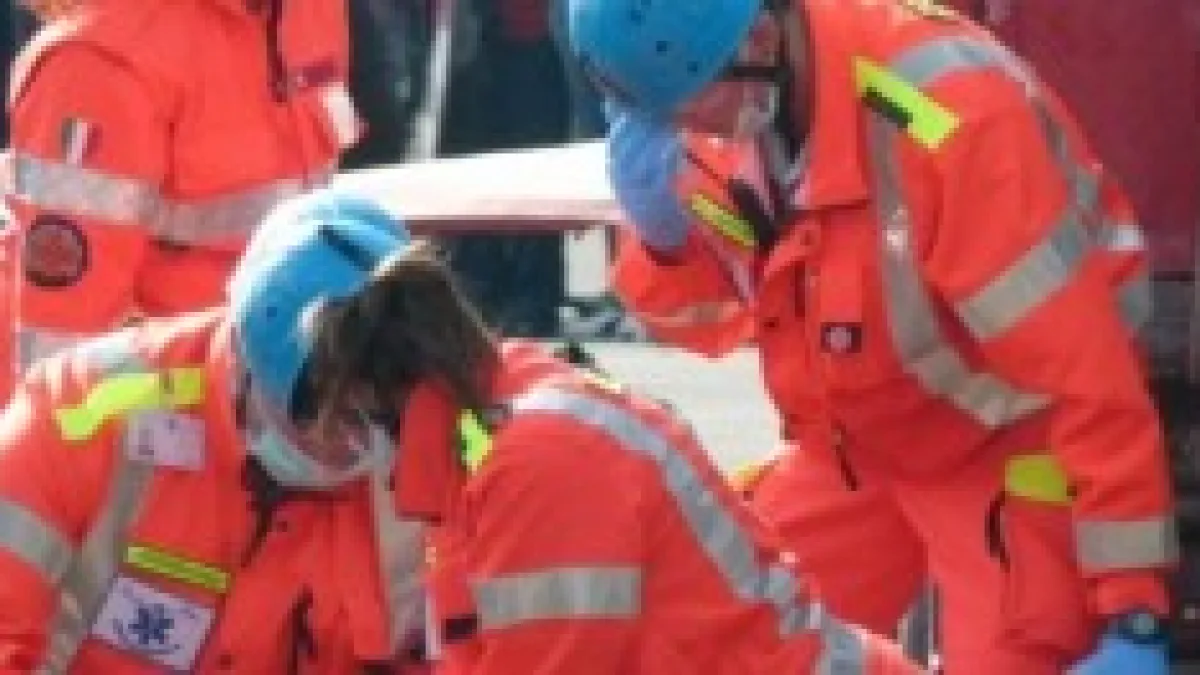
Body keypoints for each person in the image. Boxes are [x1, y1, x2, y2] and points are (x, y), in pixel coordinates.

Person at [0, 189, 919, 673]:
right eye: (308, 427)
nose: (330, 456)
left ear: (377, 382)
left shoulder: (522, 466)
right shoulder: (84, 415)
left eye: (341, 428)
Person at [566, 0, 1178, 673]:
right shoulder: (736, 98)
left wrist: (1133, 609)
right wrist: (666, 244)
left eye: (684, 110)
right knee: (707, 629)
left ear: (762, 39)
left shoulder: (953, 125)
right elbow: (716, 320)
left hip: (1002, 444)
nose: (682, 134)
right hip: (858, 446)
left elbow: (1087, 375)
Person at [3, 0, 358, 402]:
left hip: (277, 392)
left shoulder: (309, 11)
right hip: (163, 414)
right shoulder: (99, 63)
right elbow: (59, 368)